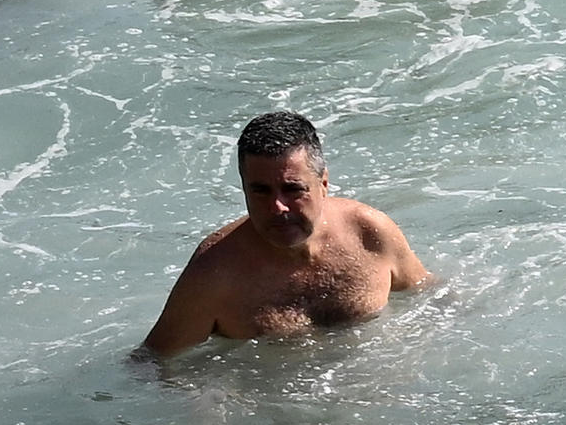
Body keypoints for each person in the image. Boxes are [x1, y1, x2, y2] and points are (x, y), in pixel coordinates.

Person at [137, 110, 433, 357]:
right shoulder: (215, 274)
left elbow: (429, 296)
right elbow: (151, 365)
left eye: (293, 189)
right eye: (260, 191)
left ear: (324, 184)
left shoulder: (369, 232)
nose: (277, 207)